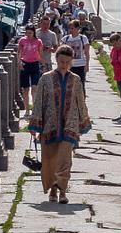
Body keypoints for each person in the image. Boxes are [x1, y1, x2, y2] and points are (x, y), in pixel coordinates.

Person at [28, 44, 91, 205]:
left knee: (65, 160)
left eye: (67, 62)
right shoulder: (45, 78)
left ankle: (62, 191)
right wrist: (35, 125)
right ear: (56, 59)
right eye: (61, 61)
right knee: (50, 160)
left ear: (71, 62)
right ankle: (53, 190)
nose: (64, 65)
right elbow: (39, 102)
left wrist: (83, 122)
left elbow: (80, 101)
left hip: (69, 125)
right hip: (49, 125)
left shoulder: (76, 80)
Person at [18, 25, 44, 109]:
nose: (28, 34)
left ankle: (34, 109)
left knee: (34, 87)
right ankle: (27, 110)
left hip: (35, 64)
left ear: (34, 33)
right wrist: (19, 63)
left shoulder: (38, 41)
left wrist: (43, 65)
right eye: (27, 33)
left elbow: (41, 54)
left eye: (30, 33)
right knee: (26, 89)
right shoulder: (22, 40)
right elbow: (19, 53)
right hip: (25, 64)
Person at [62, 19, 91, 85]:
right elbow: (61, 52)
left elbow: (87, 52)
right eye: (69, 28)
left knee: (80, 84)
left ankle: (82, 95)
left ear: (77, 28)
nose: (70, 30)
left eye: (72, 28)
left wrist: (87, 65)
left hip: (80, 65)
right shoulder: (65, 39)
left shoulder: (83, 38)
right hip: (69, 65)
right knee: (69, 84)